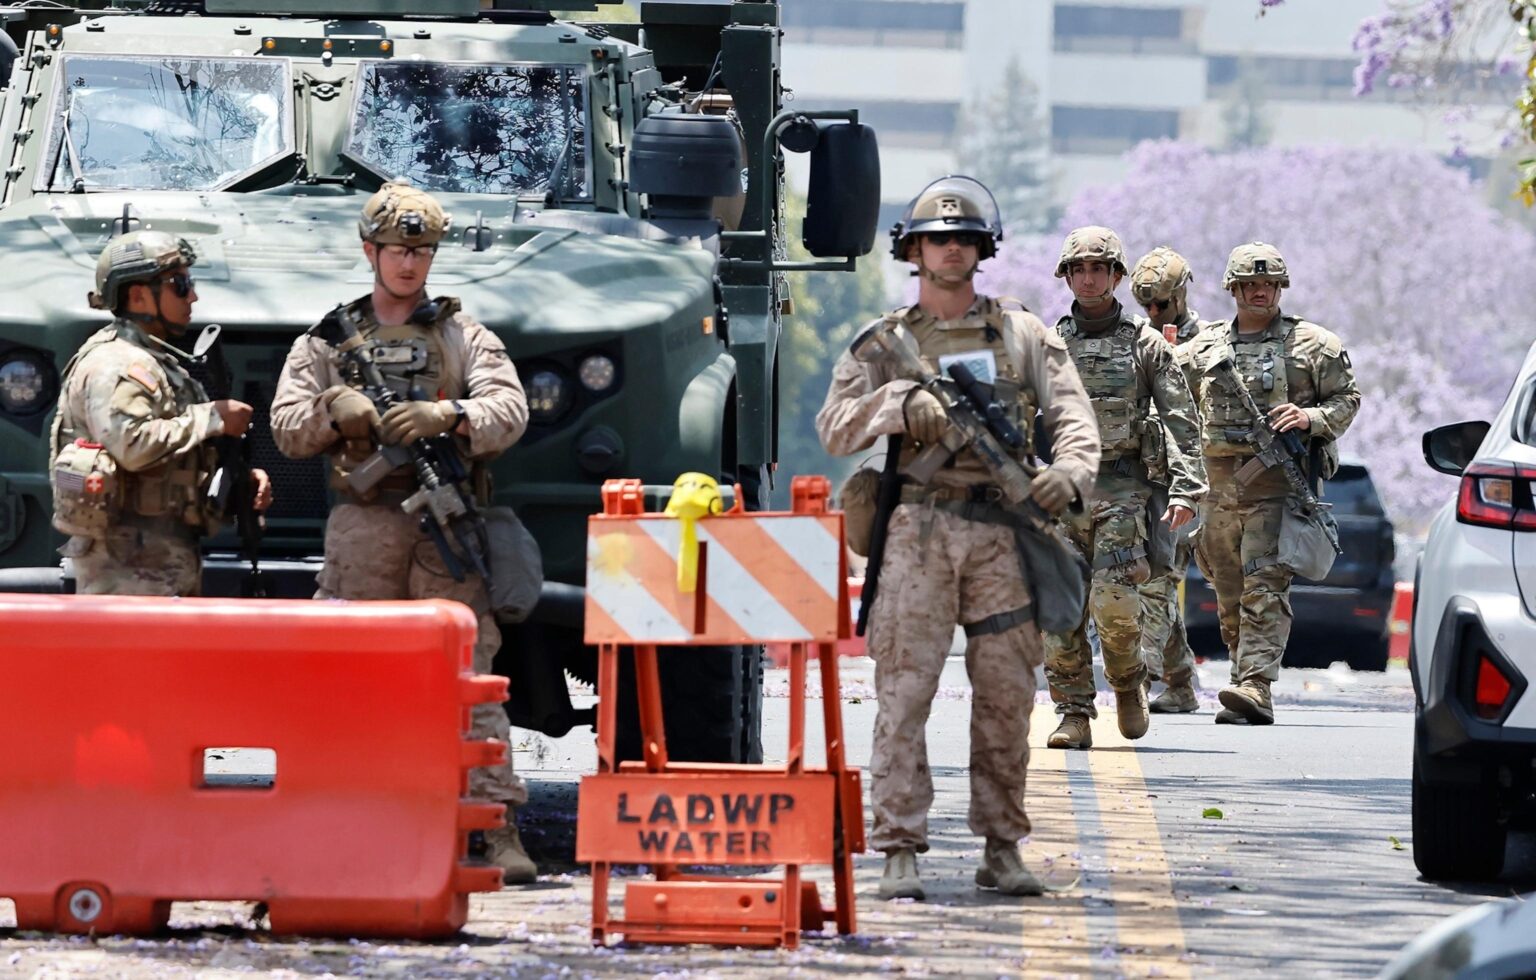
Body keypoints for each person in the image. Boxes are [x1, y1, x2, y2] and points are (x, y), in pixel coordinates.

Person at [816, 176, 1100, 901]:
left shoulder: (1022, 333)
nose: (952, 250)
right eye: (938, 239)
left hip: (1004, 532)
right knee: (904, 693)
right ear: (914, 250)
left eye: (965, 239)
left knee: (1007, 697)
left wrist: (1068, 474)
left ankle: (1002, 847)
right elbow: (835, 427)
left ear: (983, 250)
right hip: (915, 531)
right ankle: (900, 847)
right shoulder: (885, 342)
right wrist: (899, 404)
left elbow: (1073, 417)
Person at [269, 181, 536, 880]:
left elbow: (510, 409)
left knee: (471, 678)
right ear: (371, 252)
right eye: (397, 250)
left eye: (421, 250)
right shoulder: (327, 342)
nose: (410, 264)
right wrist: (338, 408)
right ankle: (345, 821)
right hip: (363, 529)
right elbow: (287, 430)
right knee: (352, 679)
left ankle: (496, 826)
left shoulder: (463, 335)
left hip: (446, 520)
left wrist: (449, 418)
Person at [1184, 243, 1360, 725]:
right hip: (1217, 493)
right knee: (1228, 591)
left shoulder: (1315, 345)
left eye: (1268, 284)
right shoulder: (1204, 348)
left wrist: (1310, 417)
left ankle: (1256, 684)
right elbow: (1168, 397)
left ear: (1280, 287)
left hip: (1277, 490)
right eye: (1250, 284)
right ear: (1233, 288)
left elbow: (1347, 399)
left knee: (1265, 585)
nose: (1260, 291)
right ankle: (1245, 676)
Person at [1045, 227, 1206, 750]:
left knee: (1115, 603)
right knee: (1062, 610)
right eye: (1079, 269)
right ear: (1067, 277)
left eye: (1099, 269)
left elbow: (1181, 419)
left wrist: (1185, 489)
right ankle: (1073, 714)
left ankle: (1128, 681)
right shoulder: (1048, 343)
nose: (1088, 278)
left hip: (1124, 492)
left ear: (1116, 276)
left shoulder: (1145, 342)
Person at [49, 231, 271, 596]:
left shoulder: (154, 362)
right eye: (180, 285)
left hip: (156, 564)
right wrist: (213, 417)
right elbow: (132, 443)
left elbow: (169, 464)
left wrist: (236, 483)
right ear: (137, 296)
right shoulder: (117, 364)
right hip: (126, 573)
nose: (193, 296)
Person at [1129, 246, 1209, 714]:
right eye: (1147, 306)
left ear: (1180, 294)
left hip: (1184, 481)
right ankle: (1180, 685)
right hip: (1139, 477)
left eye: (1161, 303)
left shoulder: (1212, 344)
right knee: (1152, 577)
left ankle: (1137, 679)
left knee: (1158, 580)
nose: (1154, 313)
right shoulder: (1135, 339)